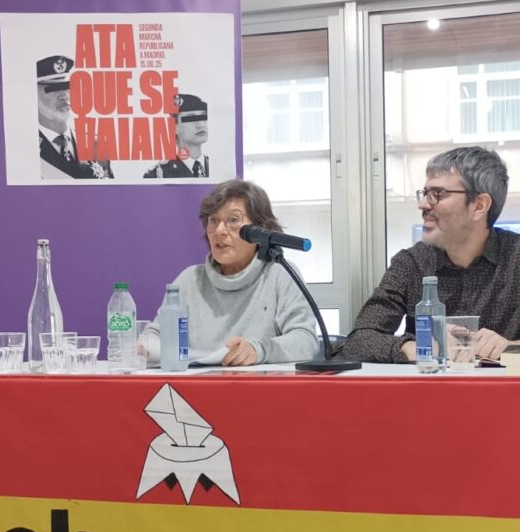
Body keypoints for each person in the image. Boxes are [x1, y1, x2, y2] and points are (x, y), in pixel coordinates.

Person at [340, 146, 520, 363]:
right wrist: (421, 347)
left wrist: (514, 348)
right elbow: (360, 340)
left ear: (479, 205)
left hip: (511, 407)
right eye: (424, 193)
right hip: (427, 406)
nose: (423, 204)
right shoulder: (411, 263)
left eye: (437, 194)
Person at [145, 179, 318, 366]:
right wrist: (143, 346)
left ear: (260, 230)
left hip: (259, 389)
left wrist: (258, 349)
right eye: (213, 221)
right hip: (195, 389)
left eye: (233, 220)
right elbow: (155, 335)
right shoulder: (190, 279)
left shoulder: (280, 275)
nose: (220, 231)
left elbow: (306, 341)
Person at [37, 55, 113, 180]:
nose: (64, 96)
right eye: (53, 89)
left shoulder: (96, 145)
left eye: (67, 87)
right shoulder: (27, 148)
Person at [143, 94, 209, 178]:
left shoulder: (217, 165)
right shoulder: (157, 175)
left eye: (203, 117)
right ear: (174, 127)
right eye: (191, 118)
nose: (201, 124)